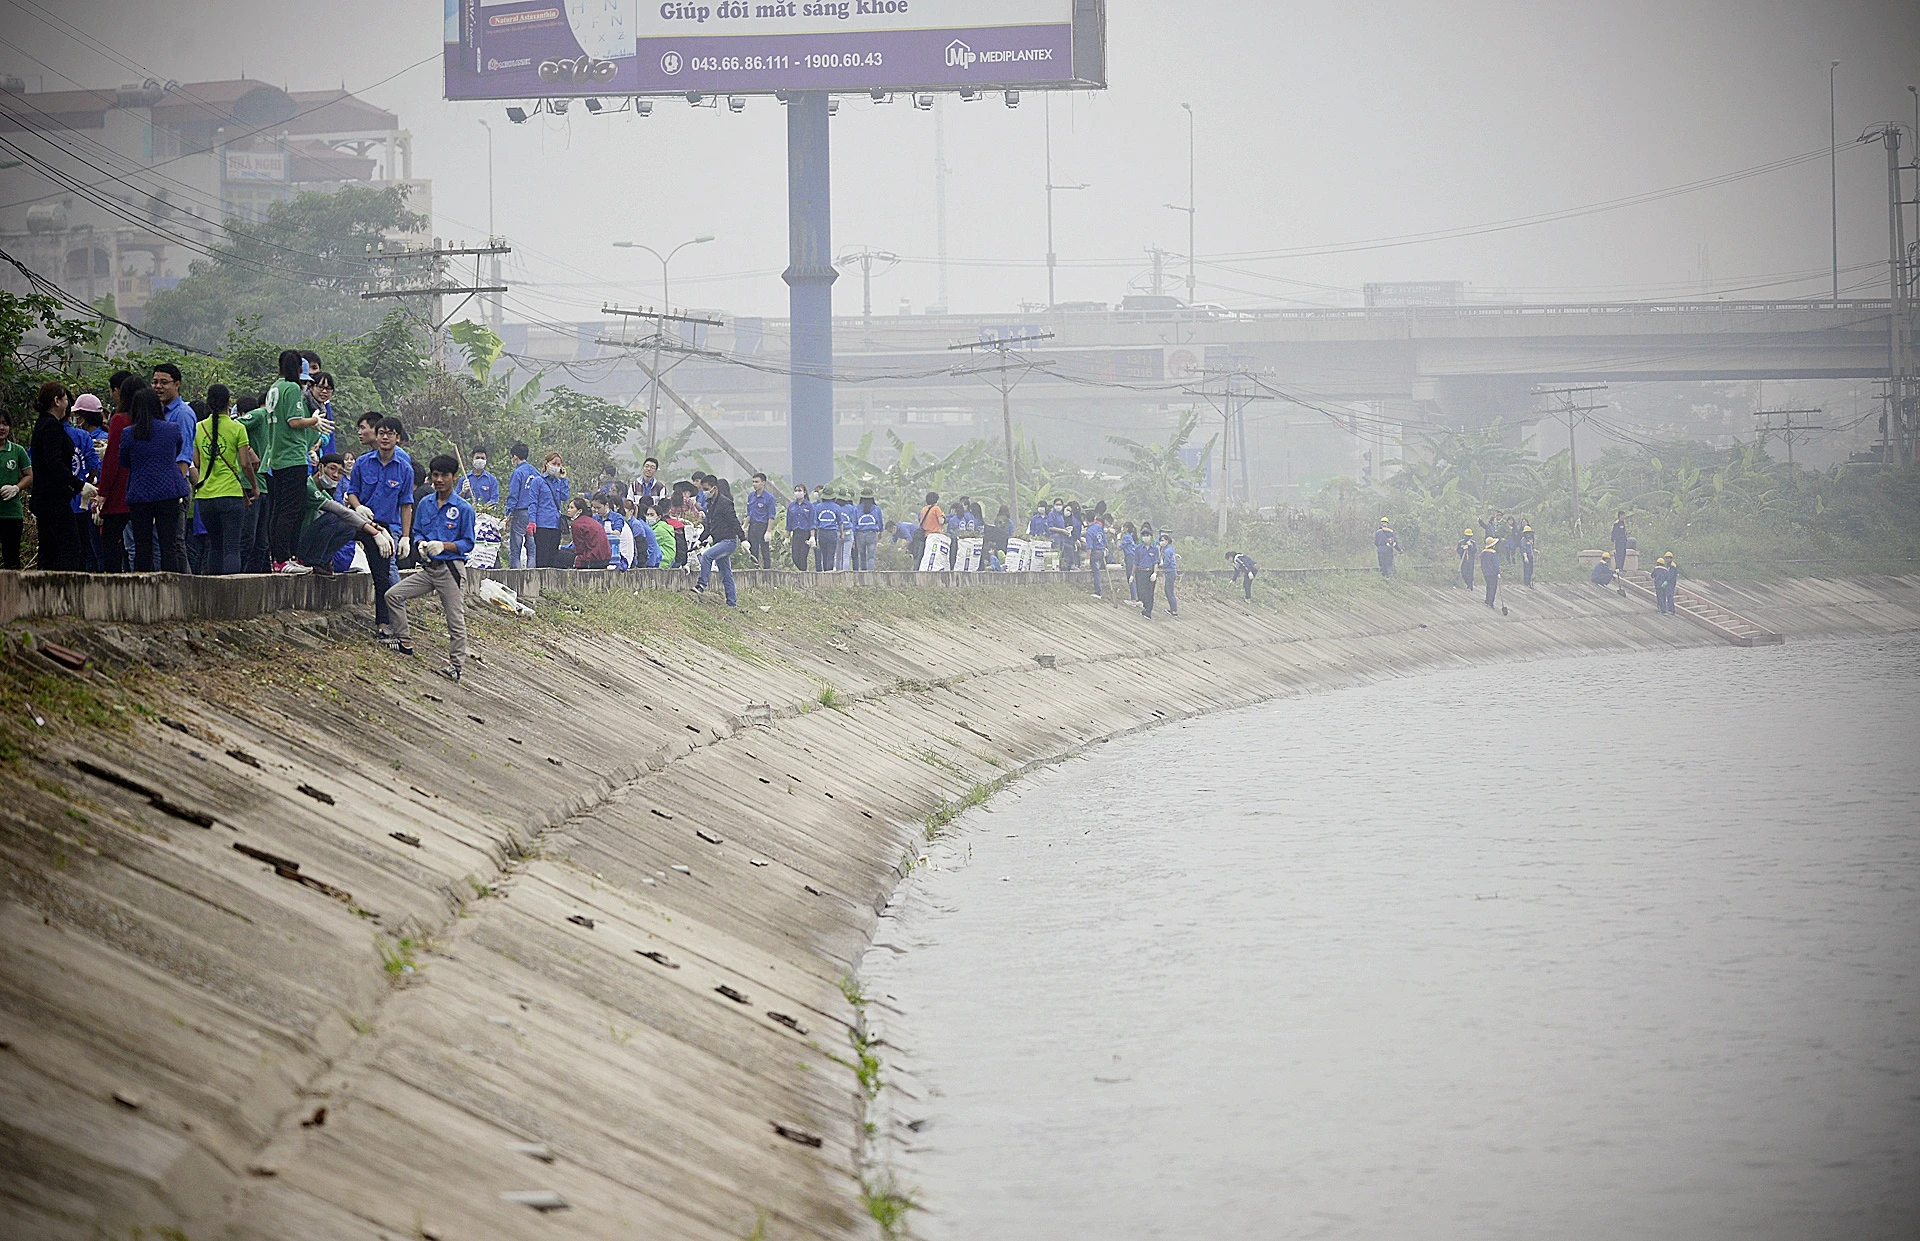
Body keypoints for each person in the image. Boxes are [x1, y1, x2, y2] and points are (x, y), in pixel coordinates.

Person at [385, 455, 474, 682]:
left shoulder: (463, 508)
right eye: (435, 475)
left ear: (454, 477)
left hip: (450, 568)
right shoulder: (425, 503)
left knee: (454, 618)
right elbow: (419, 531)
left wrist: (444, 545)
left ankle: (456, 665)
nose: (439, 480)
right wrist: (420, 544)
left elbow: (468, 542)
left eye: (444, 475)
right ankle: (403, 640)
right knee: (394, 595)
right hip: (428, 567)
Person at [264, 350, 329, 571]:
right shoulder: (291, 388)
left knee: (278, 511)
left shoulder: (274, 387)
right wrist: (314, 420)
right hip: (292, 456)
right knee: (290, 511)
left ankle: (278, 559)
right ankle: (284, 558)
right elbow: (293, 421)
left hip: (276, 456)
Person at [118, 387, 191, 573]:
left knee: (142, 544)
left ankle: (144, 586)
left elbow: (124, 461)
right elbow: (176, 451)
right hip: (169, 491)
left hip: (140, 493)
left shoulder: (128, 433)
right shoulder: (172, 429)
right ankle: (170, 584)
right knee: (169, 544)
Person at [192, 384, 254, 575]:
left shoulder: (198, 427)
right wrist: (254, 486)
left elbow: (196, 461)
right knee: (231, 548)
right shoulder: (238, 428)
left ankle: (214, 592)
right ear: (229, 401)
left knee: (215, 546)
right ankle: (231, 594)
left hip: (205, 497)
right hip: (231, 495)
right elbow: (245, 463)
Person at [296, 453, 392, 575]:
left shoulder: (323, 492)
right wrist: (375, 532)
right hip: (300, 540)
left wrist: (379, 528)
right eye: (332, 468)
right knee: (334, 517)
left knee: (349, 528)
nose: (336, 475)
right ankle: (313, 561)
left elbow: (346, 512)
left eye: (340, 472)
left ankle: (323, 561)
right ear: (320, 467)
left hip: (308, 539)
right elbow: (341, 511)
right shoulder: (309, 487)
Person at [28, 382, 85, 570]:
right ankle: (66, 590)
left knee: (49, 548)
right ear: (57, 401)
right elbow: (54, 463)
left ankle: (43, 591)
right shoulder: (51, 427)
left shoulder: (42, 424)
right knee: (70, 547)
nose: (68, 403)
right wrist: (78, 485)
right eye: (66, 399)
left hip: (44, 496)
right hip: (54, 497)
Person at [692, 476, 744, 607]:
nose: (704, 492)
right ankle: (732, 603)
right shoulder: (711, 504)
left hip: (728, 541)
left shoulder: (724, 503)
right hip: (718, 541)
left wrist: (743, 539)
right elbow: (709, 526)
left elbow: (734, 522)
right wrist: (700, 540)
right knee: (726, 573)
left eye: (706, 489)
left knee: (707, 556)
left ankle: (701, 585)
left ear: (714, 488)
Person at [0, 410, 29, 569]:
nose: (1, 427)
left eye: (5, 423)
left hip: (11, 513)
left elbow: (29, 475)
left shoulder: (17, 450)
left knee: (12, 560)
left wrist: (16, 488)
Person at [530, 451, 569, 569]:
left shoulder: (558, 483)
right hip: (542, 524)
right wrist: (532, 521)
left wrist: (563, 479)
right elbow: (533, 502)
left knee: (553, 556)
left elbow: (565, 496)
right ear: (547, 464)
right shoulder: (538, 481)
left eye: (559, 464)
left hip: (555, 524)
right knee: (542, 556)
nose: (556, 467)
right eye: (554, 463)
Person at [505, 443, 537, 569]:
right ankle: (531, 573)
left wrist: (508, 514)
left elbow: (514, 495)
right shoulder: (535, 472)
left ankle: (516, 575)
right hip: (533, 513)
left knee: (516, 548)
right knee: (532, 548)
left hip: (520, 513)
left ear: (515, 457)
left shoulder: (517, 473)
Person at [567, 497, 611, 569]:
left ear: (579, 511)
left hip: (592, 558)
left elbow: (579, 548)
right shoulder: (591, 520)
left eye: (571, 508)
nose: (568, 510)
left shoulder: (577, 524)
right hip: (605, 558)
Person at [744, 472, 775, 568]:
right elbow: (749, 513)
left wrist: (768, 531)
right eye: (753, 482)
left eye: (757, 482)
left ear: (763, 483)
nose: (754, 484)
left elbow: (771, 515)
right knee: (753, 551)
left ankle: (767, 572)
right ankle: (754, 570)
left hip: (763, 525)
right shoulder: (751, 496)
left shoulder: (769, 498)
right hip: (753, 526)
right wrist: (744, 526)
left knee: (765, 551)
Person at [852, 493, 884, 571]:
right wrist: (880, 532)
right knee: (871, 556)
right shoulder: (876, 509)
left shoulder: (856, 508)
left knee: (862, 556)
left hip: (860, 534)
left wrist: (853, 536)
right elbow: (880, 522)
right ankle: (870, 574)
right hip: (872, 534)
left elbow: (854, 522)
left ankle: (863, 573)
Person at [786, 483, 814, 570]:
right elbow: (789, 522)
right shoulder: (791, 506)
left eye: (800, 491)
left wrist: (812, 536)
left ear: (804, 492)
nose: (798, 492)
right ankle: (802, 572)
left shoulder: (809, 506)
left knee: (803, 556)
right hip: (796, 533)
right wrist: (786, 537)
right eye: (796, 491)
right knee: (795, 557)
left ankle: (804, 575)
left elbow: (812, 522)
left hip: (805, 534)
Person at [914, 492, 944, 568]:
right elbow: (941, 521)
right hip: (935, 536)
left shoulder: (924, 509)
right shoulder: (936, 508)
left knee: (925, 556)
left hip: (926, 535)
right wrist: (943, 517)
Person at [811, 490, 839, 572]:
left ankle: (825, 572)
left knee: (824, 555)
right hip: (832, 532)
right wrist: (841, 533)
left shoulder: (818, 507)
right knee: (831, 554)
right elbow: (840, 521)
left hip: (822, 532)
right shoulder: (836, 507)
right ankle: (829, 572)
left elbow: (815, 522)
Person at [1135, 523, 1158, 616]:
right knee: (1141, 591)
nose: (1145, 537)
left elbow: (1156, 562)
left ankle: (1148, 611)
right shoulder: (1138, 548)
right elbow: (1135, 562)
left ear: (1151, 537)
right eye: (1144, 536)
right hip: (1140, 572)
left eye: (1147, 535)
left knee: (1150, 592)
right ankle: (1145, 605)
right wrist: (1132, 575)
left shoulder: (1155, 549)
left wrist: (1155, 573)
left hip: (1150, 571)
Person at [1085, 512, 1109, 597]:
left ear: (1086, 520)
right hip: (1102, 551)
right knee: (1097, 571)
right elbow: (1105, 540)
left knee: (1096, 572)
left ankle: (1098, 592)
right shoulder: (1099, 527)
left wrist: (1087, 558)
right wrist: (1105, 548)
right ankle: (1097, 588)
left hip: (1095, 553)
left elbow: (1089, 547)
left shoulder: (1089, 531)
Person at [1158, 533, 1180, 616]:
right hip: (1171, 571)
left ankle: (1174, 610)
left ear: (1167, 541)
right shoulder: (1171, 549)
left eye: (1163, 540)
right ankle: (1173, 609)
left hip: (1170, 571)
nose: (1161, 542)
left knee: (1169, 591)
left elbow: (1167, 562)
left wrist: (1159, 566)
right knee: (1169, 590)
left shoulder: (1167, 551)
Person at [835, 492, 856, 572]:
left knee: (838, 556)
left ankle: (837, 572)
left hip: (837, 532)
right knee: (846, 555)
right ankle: (845, 572)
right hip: (848, 532)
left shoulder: (836, 507)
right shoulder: (851, 508)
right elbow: (853, 521)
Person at [1480, 537, 1501, 608]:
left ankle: (1487, 601)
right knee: (1493, 588)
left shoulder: (1483, 552)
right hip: (1493, 573)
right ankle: (1490, 603)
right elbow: (1495, 564)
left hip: (1485, 572)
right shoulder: (1493, 553)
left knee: (1488, 586)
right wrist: (1498, 573)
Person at [1520, 523, 1537, 588]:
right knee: (1527, 569)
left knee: (1531, 569)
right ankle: (1526, 582)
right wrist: (1525, 557)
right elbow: (1523, 548)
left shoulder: (1530, 540)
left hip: (1531, 555)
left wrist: (1535, 550)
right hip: (1526, 556)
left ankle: (1529, 581)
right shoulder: (1523, 540)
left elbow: (1531, 547)